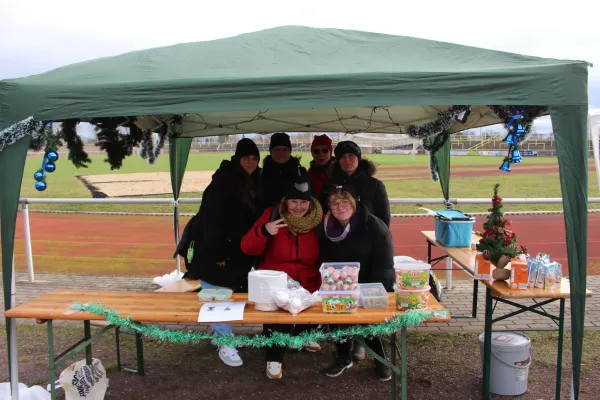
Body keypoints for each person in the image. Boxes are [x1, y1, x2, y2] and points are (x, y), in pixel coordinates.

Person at [180, 138, 263, 368]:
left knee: (228, 294)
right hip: (216, 252)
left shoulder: (251, 180)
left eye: (254, 157)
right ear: (237, 158)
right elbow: (211, 221)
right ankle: (224, 340)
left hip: (236, 251)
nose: (250, 161)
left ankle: (223, 334)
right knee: (217, 294)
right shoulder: (223, 182)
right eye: (246, 157)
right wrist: (218, 255)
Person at [241, 175, 323, 380]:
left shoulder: (320, 219)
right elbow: (247, 247)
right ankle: (274, 357)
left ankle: (302, 337)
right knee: (277, 323)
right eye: (293, 201)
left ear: (310, 202)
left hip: (308, 280)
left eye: (304, 201)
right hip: (276, 282)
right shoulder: (272, 214)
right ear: (285, 201)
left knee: (310, 314)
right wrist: (264, 231)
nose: (298, 207)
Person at [318, 184, 395, 382]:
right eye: (335, 203)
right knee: (338, 322)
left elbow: (385, 264)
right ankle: (344, 357)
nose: (339, 207)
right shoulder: (326, 226)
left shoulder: (374, 226)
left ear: (354, 203)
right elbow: (325, 259)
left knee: (369, 323)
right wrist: (331, 282)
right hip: (341, 285)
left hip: (370, 282)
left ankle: (381, 359)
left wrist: (378, 291)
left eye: (345, 202)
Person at [322, 141, 391, 227]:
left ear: (358, 158)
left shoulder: (375, 185)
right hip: (337, 237)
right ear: (338, 161)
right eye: (342, 156)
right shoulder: (329, 186)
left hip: (367, 237)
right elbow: (324, 214)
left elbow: (384, 218)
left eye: (351, 155)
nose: (347, 160)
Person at [261, 132, 307, 207]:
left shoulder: (301, 172)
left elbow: (309, 198)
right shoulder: (262, 173)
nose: (281, 153)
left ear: (290, 151)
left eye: (285, 149)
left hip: (295, 215)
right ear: (271, 151)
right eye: (277, 149)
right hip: (269, 216)